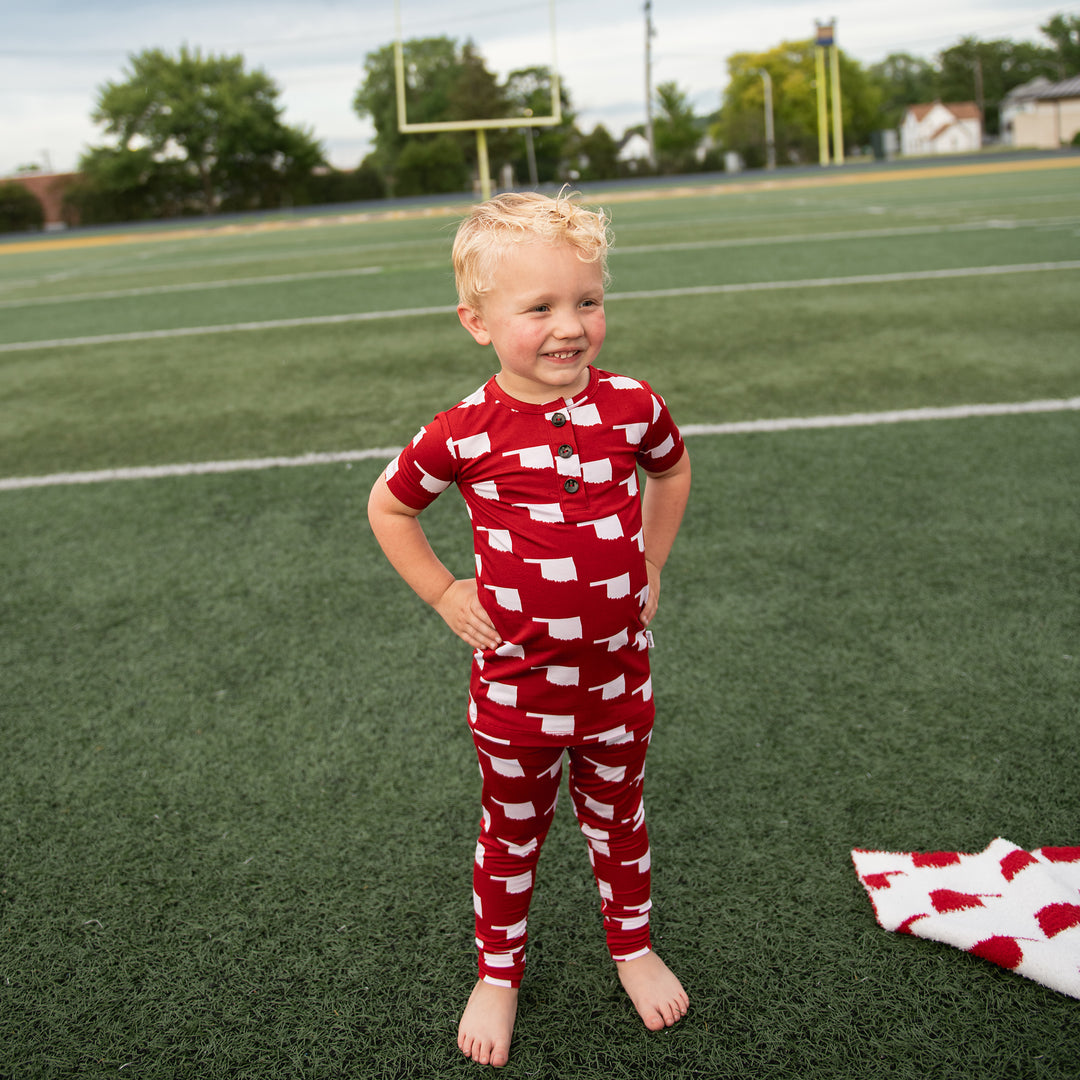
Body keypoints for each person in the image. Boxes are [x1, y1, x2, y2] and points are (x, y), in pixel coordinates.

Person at [367, 191, 692, 1068]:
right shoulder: (465, 432)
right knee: (512, 834)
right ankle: (499, 973)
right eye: (539, 307)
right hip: (516, 693)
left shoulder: (631, 404)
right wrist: (442, 593)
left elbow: (672, 467)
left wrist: (652, 560)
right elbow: (389, 505)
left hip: (621, 683)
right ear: (476, 321)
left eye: (586, 300)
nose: (569, 326)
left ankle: (633, 947)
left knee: (618, 819)